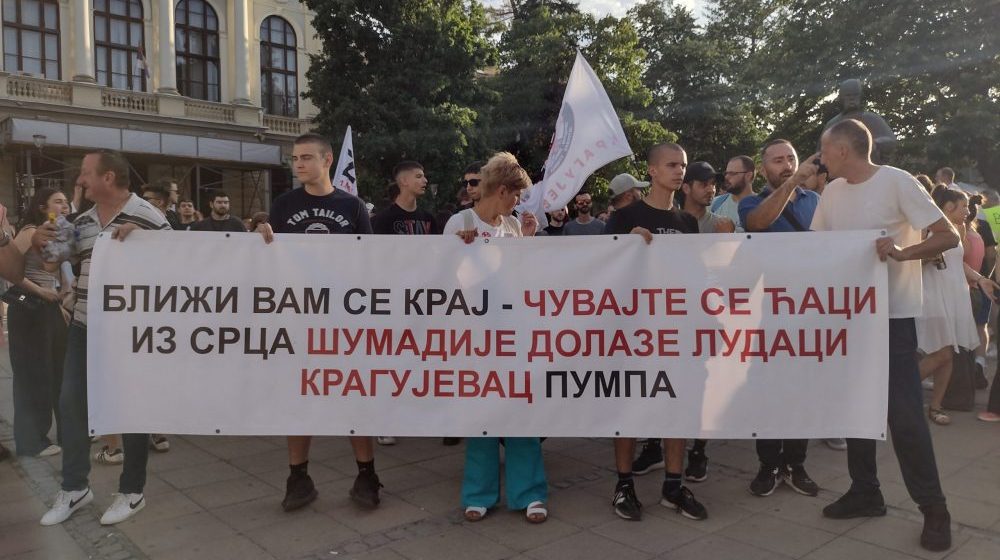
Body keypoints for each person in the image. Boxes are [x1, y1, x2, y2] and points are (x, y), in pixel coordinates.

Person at [811, 118, 957, 552]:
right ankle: (865, 491)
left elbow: (947, 235)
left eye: (824, 149)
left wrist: (903, 253)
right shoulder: (832, 192)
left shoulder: (897, 181)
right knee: (856, 407)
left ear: (843, 150)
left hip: (892, 319)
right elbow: (817, 248)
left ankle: (934, 510)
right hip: (849, 318)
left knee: (904, 415)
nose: (820, 157)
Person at [39, 150, 170, 527]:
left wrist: (146, 244)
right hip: (85, 326)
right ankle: (75, 487)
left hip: (131, 331)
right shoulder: (81, 222)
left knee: (131, 407)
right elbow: (51, 261)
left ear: (108, 177)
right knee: (71, 403)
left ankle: (132, 491)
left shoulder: (149, 216)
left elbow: (179, 267)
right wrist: (50, 232)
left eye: (85, 173)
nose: (80, 180)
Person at [255, 133, 381, 512]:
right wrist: (257, 239)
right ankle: (298, 477)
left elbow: (371, 260)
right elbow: (269, 257)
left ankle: (367, 474)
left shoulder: (352, 206)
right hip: (297, 317)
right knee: (298, 396)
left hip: (344, 320)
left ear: (327, 161)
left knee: (352, 395)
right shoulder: (283, 204)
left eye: (307, 158)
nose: (299, 164)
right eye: (295, 158)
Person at [603, 142, 707, 522]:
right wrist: (626, 247)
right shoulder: (623, 217)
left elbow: (695, 277)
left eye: (683, 165)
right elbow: (600, 273)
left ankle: (673, 486)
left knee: (676, 406)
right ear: (652, 171)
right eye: (671, 165)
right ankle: (624, 484)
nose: (680, 171)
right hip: (633, 332)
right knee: (629, 407)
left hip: (674, 332)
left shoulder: (688, 222)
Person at [443, 152, 548, 524]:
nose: (517, 202)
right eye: (516, 195)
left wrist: (528, 242)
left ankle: (529, 493)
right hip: (473, 338)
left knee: (521, 412)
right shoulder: (460, 222)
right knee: (481, 415)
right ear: (502, 190)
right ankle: (479, 494)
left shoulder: (514, 226)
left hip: (512, 334)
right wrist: (457, 250)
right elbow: (442, 280)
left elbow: (520, 276)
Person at [739, 139, 825, 493]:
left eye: (791, 158)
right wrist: (791, 183)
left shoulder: (815, 201)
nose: (787, 164)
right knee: (768, 393)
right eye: (777, 160)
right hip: (767, 315)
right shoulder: (751, 203)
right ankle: (768, 464)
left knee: (801, 391)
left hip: (807, 311)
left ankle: (796, 464)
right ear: (763, 170)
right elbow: (758, 223)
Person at [917, 188, 995, 425]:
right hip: (933, 296)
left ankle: (936, 406)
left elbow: (957, 263)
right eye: (963, 207)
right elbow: (910, 261)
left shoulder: (957, 230)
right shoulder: (926, 230)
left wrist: (980, 279)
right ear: (949, 207)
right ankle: (898, 391)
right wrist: (927, 257)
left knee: (949, 354)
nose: (968, 212)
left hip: (954, 296)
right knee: (941, 353)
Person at [371, 161, 436, 446]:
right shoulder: (382, 221)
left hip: (423, 302)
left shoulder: (430, 219)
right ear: (404, 182)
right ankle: (385, 421)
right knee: (391, 361)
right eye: (419, 176)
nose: (425, 180)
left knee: (420, 358)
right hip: (393, 301)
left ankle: (414, 414)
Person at [8, 188, 69, 458]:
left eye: (66, 202)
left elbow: (52, 268)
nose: (65, 206)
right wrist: (40, 291)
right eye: (58, 201)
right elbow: (8, 267)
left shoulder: (55, 232)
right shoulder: (29, 231)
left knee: (59, 372)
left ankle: (66, 431)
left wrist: (60, 296)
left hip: (50, 308)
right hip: (29, 309)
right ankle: (31, 441)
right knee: (33, 375)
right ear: (43, 207)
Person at [679, 162, 735, 233]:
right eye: (704, 184)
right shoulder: (671, 223)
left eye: (713, 184)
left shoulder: (722, 225)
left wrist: (727, 237)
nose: (711, 190)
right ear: (686, 188)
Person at [711, 155, 756, 232]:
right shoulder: (714, 204)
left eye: (732, 173)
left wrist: (730, 233)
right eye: (726, 173)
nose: (726, 177)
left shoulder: (763, 206)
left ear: (748, 176)